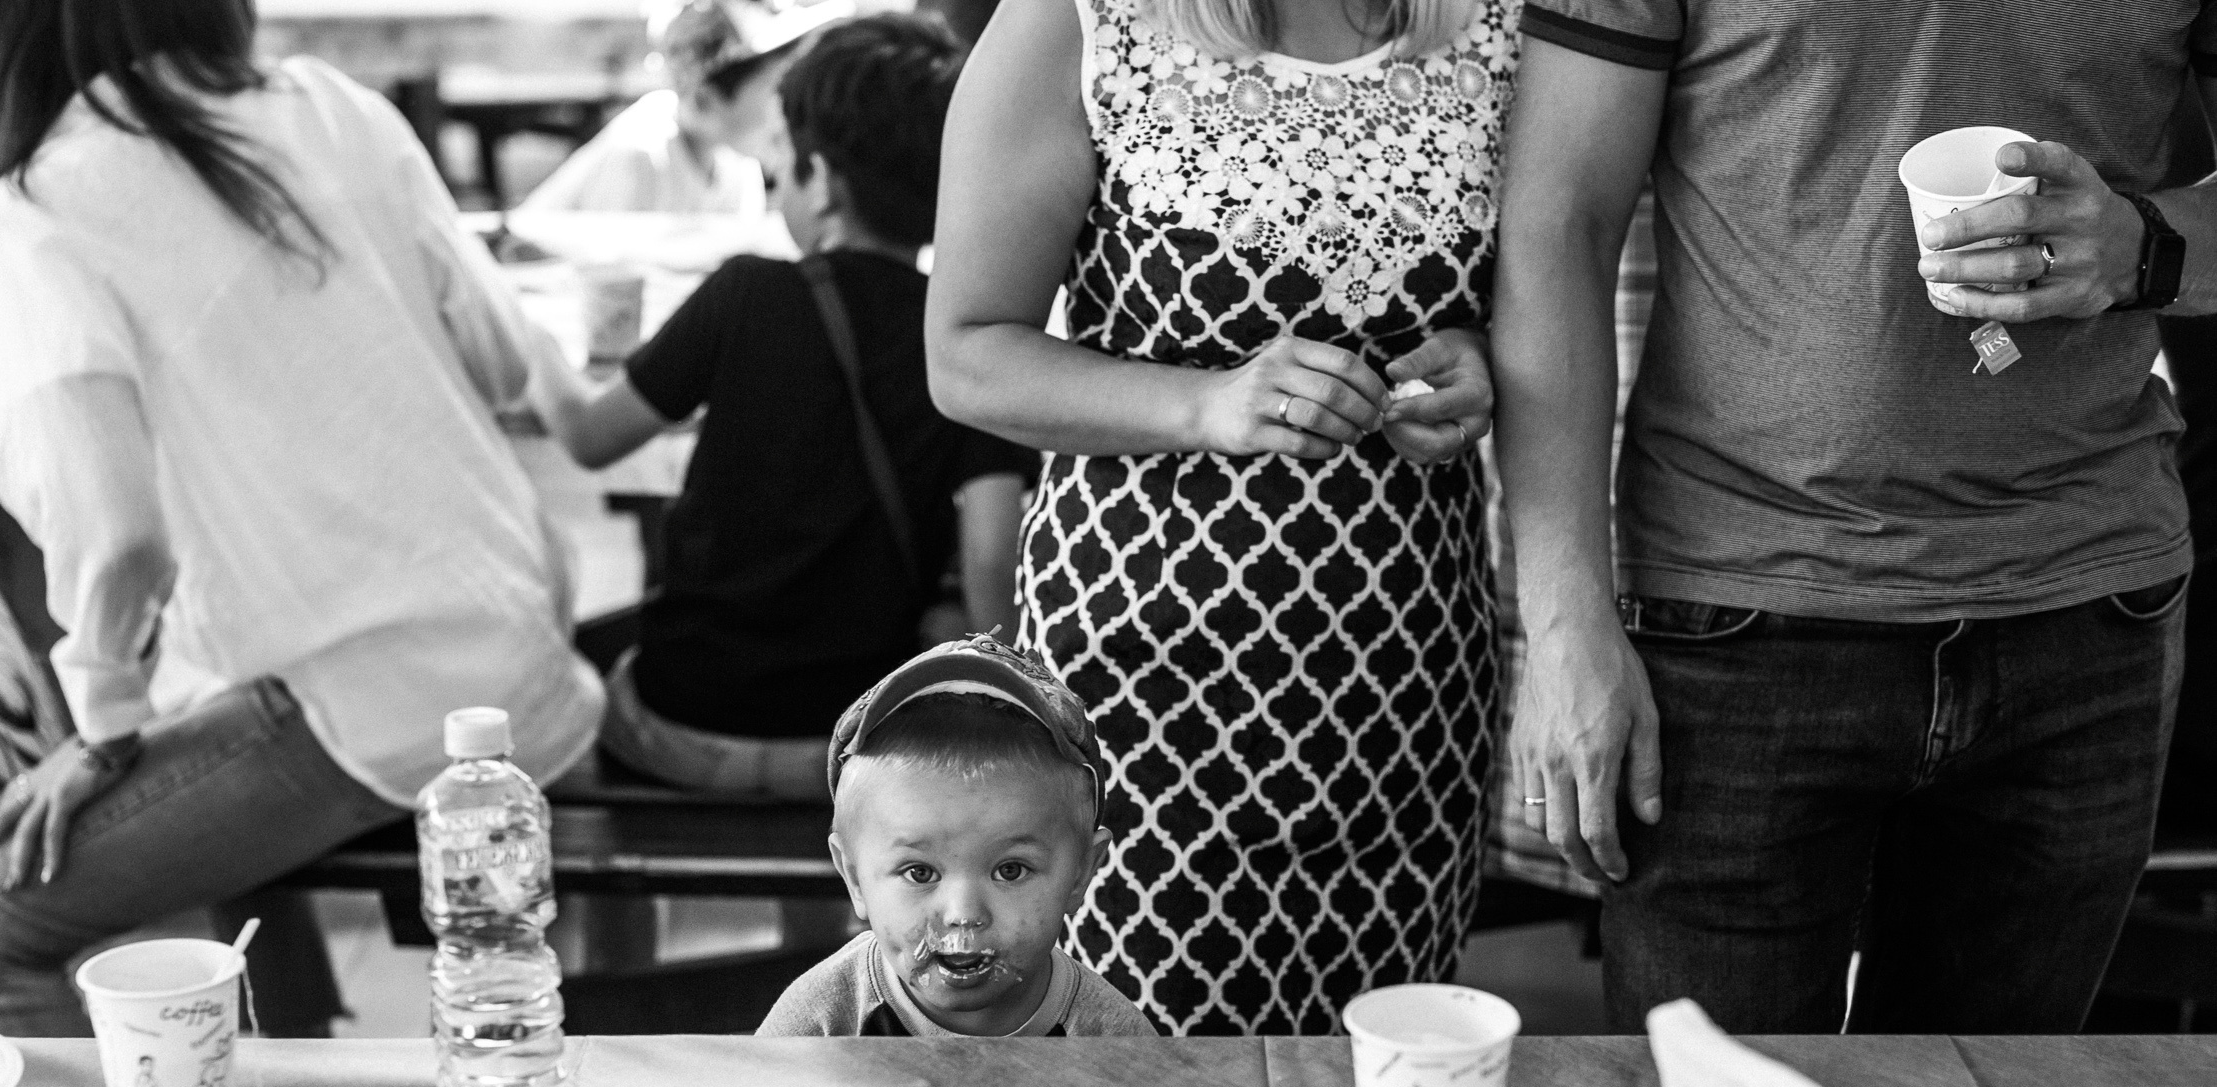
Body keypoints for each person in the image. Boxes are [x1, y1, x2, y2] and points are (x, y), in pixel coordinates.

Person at [1496, 1, 2217, 1035]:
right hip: (1735, 619)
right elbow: (1557, 223)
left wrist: (2143, 245)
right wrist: (1564, 624)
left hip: (2085, 617)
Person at [0, 0, 603, 1036]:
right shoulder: (335, 106)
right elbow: (505, 364)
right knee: (210, 701)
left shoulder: (54, 197)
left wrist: (100, 727)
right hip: (516, 648)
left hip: (363, 703)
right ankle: (284, 1076)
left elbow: (119, 536)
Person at [927, 0, 1509, 1035]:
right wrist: (1205, 403)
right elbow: (965, 353)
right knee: (1149, 1082)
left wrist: (1475, 363)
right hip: (1149, 688)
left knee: (1380, 1075)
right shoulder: (1082, 20)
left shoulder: (1495, 22)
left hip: (1410, 675)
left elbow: (1537, 290)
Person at [539, 14, 1033, 800]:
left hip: (684, 729)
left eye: (783, 171)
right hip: (855, 751)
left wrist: (527, 344)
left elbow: (590, 437)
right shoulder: (974, 339)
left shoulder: (744, 294)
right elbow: (990, 572)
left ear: (822, 182)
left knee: (594, 666)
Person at [761, 636, 1156, 1036]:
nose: (963, 914)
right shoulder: (819, 1022)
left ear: (1080, 873)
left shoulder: (1115, 1041)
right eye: (919, 873)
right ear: (854, 878)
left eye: (1011, 870)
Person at [519, 0, 844, 217]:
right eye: (777, 89)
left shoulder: (737, 165)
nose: (788, 104)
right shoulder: (640, 155)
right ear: (705, 100)